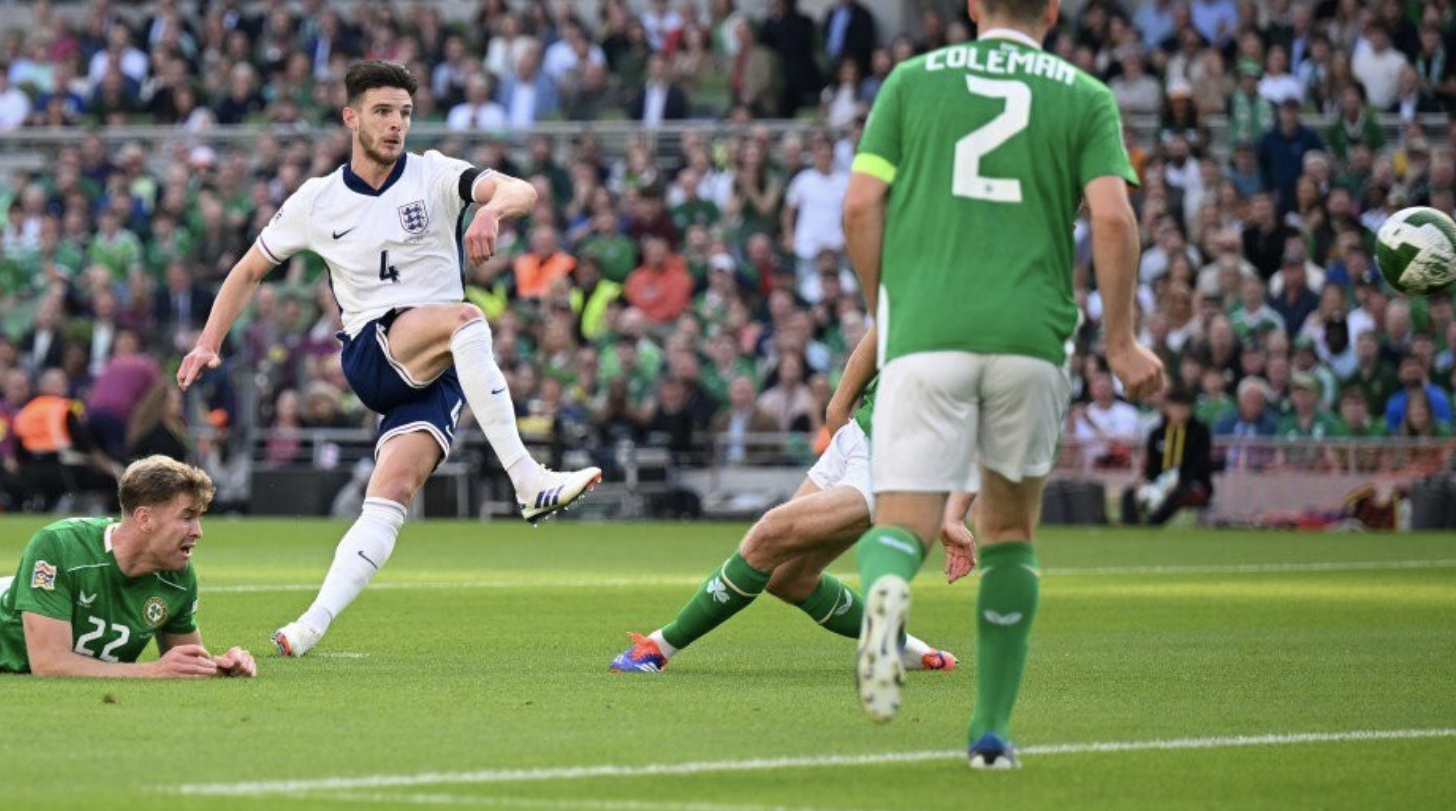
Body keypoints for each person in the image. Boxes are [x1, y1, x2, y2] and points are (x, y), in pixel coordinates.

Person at [842, 0, 1164, 769]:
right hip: (1029, 339)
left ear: (974, 5)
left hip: (926, 336)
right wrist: (1122, 339)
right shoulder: (1086, 95)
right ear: (1053, 11)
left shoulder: (912, 81)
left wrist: (889, 305)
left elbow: (859, 205)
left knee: (903, 521)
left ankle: (885, 590)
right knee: (1011, 533)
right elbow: (1115, 218)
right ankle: (989, 736)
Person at [177, 60, 600, 659]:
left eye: (403, 112)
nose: (396, 124)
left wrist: (491, 210)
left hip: (441, 366)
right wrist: (208, 342)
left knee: (392, 495)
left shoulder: (434, 176)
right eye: (381, 111)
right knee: (468, 316)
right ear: (351, 117)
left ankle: (308, 627)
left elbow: (521, 189)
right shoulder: (317, 200)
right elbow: (249, 270)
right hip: (376, 352)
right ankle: (528, 480)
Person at [609, 328, 957, 674]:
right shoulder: (930, 280)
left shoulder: (989, 309)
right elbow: (884, 326)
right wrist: (838, 405)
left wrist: (953, 512)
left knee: (769, 534)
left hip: (896, 462)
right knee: (787, 578)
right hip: (858, 434)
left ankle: (658, 647)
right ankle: (898, 645)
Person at [0, 455, 256, 678]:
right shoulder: (59, 546)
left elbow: (186, 664)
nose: (198, 532)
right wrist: (153, 671)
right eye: (187, 517)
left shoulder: (177, 576)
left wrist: (223, 665)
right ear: (145, 518)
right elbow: (49, 663)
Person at [1122, 387, 1213, 526]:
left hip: (1191, 483)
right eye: (1175, 406)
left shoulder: (1200, 432)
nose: (1179, 411)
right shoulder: (1157, 433)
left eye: (1184, 406)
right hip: (1160, 483)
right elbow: (1152, 464)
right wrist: (1145, 479)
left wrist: (1180, 480)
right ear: (1167, 407)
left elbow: (1200, 463)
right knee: (1130, 492)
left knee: (1178, 494)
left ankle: (1153, 524)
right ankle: (1131, 526)